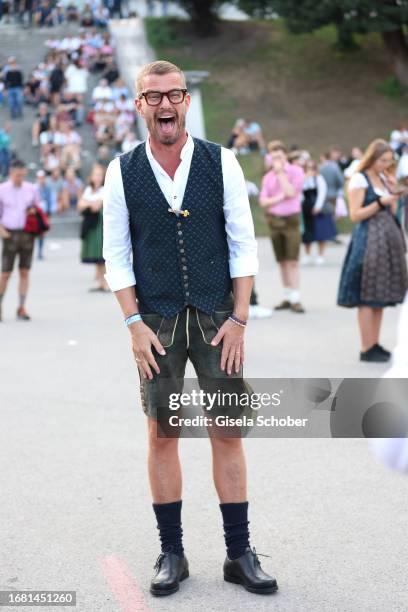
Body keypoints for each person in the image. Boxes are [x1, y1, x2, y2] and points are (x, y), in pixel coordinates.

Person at [103, 60, 278, 597]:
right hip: (154, 323)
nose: (164, 105)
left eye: (173, 95)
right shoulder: (121, 170)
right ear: (139, 106)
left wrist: (240, 317)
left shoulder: (220, 162)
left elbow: (243, 241)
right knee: (163, 435)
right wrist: (132, 323)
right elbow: (117, 254)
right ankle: (172, 553)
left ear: (184, 102)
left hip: (217, 319)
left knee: (227, 432)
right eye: (153, 97)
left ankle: (238, 553)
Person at [337, 139, 408, 362]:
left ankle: (375, 343)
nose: (385, 165)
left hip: (385, 239)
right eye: (382, 160)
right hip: (368, 240)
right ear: (372, 158)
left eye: (389, 161)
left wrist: (392, 191)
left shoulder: (384, 177)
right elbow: (355, 214)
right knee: (367, 295)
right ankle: (366, 347)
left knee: (379, 294)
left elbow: (393, 209)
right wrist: (380, 202)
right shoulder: (359, 178)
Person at [259, 142, 305, 313]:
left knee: (292, 261)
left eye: (279, 156)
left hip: (291, 220)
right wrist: (279, 198)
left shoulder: (296, 171)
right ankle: (287, 296)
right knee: (282, 261)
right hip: (274, 220)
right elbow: (263, 201)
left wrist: (280, 174)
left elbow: (291, 192)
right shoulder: (267, 177)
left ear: (285, 156)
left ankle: (296, 298)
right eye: (274, 157)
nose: (276, 160)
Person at [0, 160, 40, 321]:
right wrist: (2, 232)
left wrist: (33, 210)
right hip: (9, 233)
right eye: (17, 175)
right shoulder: (2, 189)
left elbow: (38, 208)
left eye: (22, 175)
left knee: (25, 271)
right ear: (11, 173)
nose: (20, 178)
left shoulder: (31, 189)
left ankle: (21, 307)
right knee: (5, 273)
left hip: (27, 234)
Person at [78, 163, 107, 292]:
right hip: (92, 224)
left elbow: (96, 205)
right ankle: (99, 281)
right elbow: (81, 205)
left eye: (100, 175)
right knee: (96, 255)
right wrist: (90, 204)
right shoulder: (89, 190)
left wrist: (89, 204)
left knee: (103, 254)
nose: (97, 177)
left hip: (102, 224)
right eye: (95, 174)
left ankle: (105, 281)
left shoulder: (105, 189)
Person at [301, 160, 336, 265]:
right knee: (307, 234)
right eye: (308, 168)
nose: (311, 171)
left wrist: (318, 207)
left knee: (321, 234)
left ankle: (320, 255)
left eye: (312, 168)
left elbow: (322, 193)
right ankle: (307, 254)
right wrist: (305, 178)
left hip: (318, 209)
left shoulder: (319, 179)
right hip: (306, 208)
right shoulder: (303, 179)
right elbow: (299, 192)